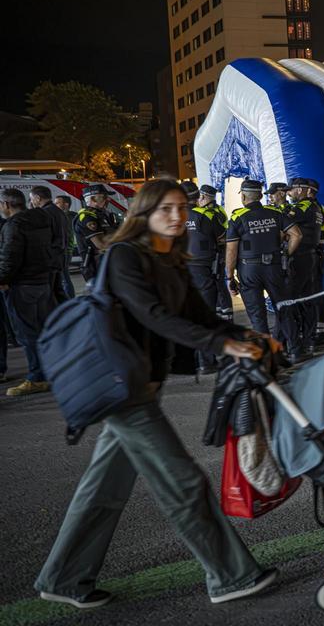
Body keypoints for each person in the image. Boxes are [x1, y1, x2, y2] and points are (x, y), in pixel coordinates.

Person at [33, 179, 280, 610]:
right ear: (143, 213)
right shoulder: (124, 255)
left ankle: (64, 577)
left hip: (143, 383)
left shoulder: (171, 259)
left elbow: (200, 316)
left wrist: (247, 335)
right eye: (166, 208)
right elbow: (155, 316)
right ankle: (231, 576)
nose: (177, 216)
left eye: (182, 208)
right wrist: (223, 345)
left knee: (102, 490)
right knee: (182, 482)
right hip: (122, 389)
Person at [225, 180, 301, 359]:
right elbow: (297, 235)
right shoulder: (275, 213)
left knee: (257, 316)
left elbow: (231, 250)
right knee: (283, 307)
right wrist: (285, 255)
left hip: (248, 270)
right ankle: (295, 350)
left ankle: (269, 356)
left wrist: (229, 277)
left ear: (243, 196)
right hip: (274, 267)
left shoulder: (237, 217)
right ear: (260, 195)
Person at [0, 189, 55, 397]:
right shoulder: (42, 219)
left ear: (7, 205)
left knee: (27, 334)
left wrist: (2, 280)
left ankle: (36, 378)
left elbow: (9, 260)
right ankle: (48, 372)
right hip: (41, 281)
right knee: (41, 330)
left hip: (22, 285)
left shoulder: (13, 225)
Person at [182, 181, 224, 374]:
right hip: (202, 269)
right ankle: (207, 361)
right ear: (197, 196)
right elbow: (222, 238)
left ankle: (191, 360)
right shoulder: (205, 216)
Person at [283, 178, 322, 357]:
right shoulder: (316, 207)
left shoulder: (304, 206)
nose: (289, 194)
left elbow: (285, 220)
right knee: (308, 299)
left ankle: (296, 341)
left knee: (291, 299)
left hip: (300, 257)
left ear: (301, 190)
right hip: (310, 256)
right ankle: (309, 340)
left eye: (291, 190)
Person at [30, 185, 74, 306]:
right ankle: (68, 311)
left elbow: (42, 237)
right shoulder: (58, 211)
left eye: (32, 199)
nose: (31, 202)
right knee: (59, 287)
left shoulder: (44, 213)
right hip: (60, 253)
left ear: (38, 198)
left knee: (53, 288)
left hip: (51, 256)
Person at [198, 185, 234, 320]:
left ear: (204, 197)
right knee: (215, 282)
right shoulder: (213, 209)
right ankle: (220, 310)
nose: (199, 199)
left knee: (219, 281)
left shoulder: (214, 212)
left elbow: (221, 235)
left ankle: (227, 312)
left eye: (201, 196)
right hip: (214, 251)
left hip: (218, 251)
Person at [74, 185, 119, 288]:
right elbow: (101, 245)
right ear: (93, 199)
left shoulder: (101, 215)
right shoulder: (87, 218)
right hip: (96, 266)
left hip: (106, 262)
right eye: (104, 197)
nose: (108, 200)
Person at [305, 178, 324, 346]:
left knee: (315, 293)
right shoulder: (318, 208)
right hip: (316, 254)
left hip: (313, 255)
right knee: (315, 293)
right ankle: (320, 330)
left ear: (309, 191)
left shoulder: (313, 209)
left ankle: (321, 331)